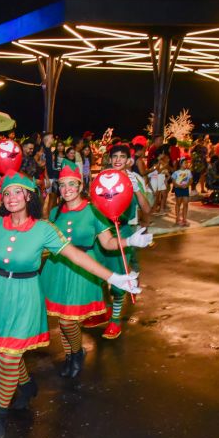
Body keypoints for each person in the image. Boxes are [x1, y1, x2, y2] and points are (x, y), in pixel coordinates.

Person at [0, 171, 139, 438]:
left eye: (18, 192)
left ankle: (0, 414)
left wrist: (113, 277)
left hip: (25, 295)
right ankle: (27, 385)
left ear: (29, 195)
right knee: (6, 352)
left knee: (8, 355)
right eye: (6, 193)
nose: (11, 198)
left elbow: (77, 256)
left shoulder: (43, 229)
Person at [41, 164, 151, 384]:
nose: (66, 189)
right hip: (57, 268)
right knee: (63, 319)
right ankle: (71, 355)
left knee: (67, 321)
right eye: (62, 185)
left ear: (81, 185)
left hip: (82, 270)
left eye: (71, 184)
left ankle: (77, 352)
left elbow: (109, 243)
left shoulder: (94, 211)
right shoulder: (55, 212)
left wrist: (130, 240)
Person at [93, 144, 152, 339]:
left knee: (120, 278)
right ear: (110, 159)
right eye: (114, 156)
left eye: (122, 156)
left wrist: (136, 189)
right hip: (101, 230)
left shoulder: (135, 179)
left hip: (123, 231)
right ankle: (108, 307)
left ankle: (115, 320)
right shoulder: (101, 178)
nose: (118, 159)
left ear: (129, 160)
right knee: (99, 275)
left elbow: (147, 208)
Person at [170, 158, 193, 226]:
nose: (186, 164)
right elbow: (173, 182)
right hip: (178, 189)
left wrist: (187, 185)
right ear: (180, 164)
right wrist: (179, 186)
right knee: (178, 203)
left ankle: (184, 219)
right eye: (185, 163)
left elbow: (191, 180)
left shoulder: (188, 172)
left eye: (187, 163)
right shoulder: (176, 173)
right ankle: (177, 218)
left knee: (185, 204)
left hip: (185, 189)